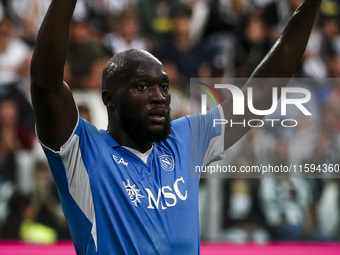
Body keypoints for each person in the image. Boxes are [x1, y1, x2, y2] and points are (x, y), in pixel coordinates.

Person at [30, 0, 321, 254]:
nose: (158, 97)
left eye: (164, 87)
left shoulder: (186, 139)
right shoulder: (83, 152)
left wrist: (310, 4)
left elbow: (261, 93)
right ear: (110, 100)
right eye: (142, 87)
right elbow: (46, 84)